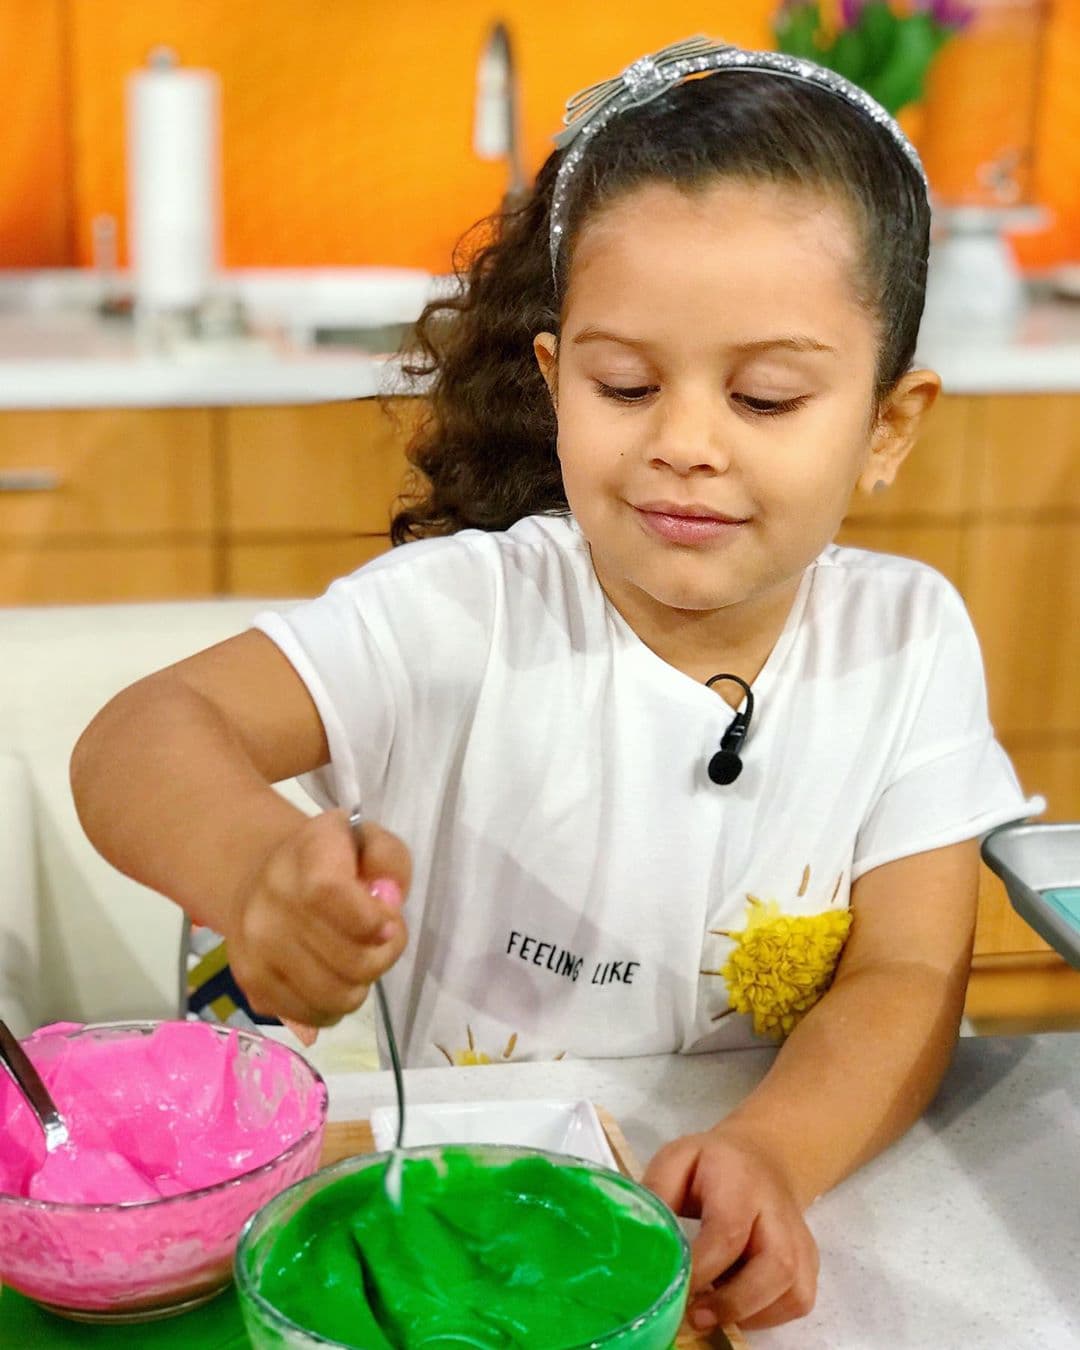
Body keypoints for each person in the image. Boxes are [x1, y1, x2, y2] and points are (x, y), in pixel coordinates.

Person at [71, 37, 1038, 1333]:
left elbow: (910, 971)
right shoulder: (465, 616)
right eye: (625, 383)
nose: (683, 443)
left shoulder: (910, 642)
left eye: (764, 396)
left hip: (743, 1234)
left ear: (887, 425)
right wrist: (256, 872)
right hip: (462, 1244)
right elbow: (138, 737)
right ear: (553, 377)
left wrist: (773, 1151)